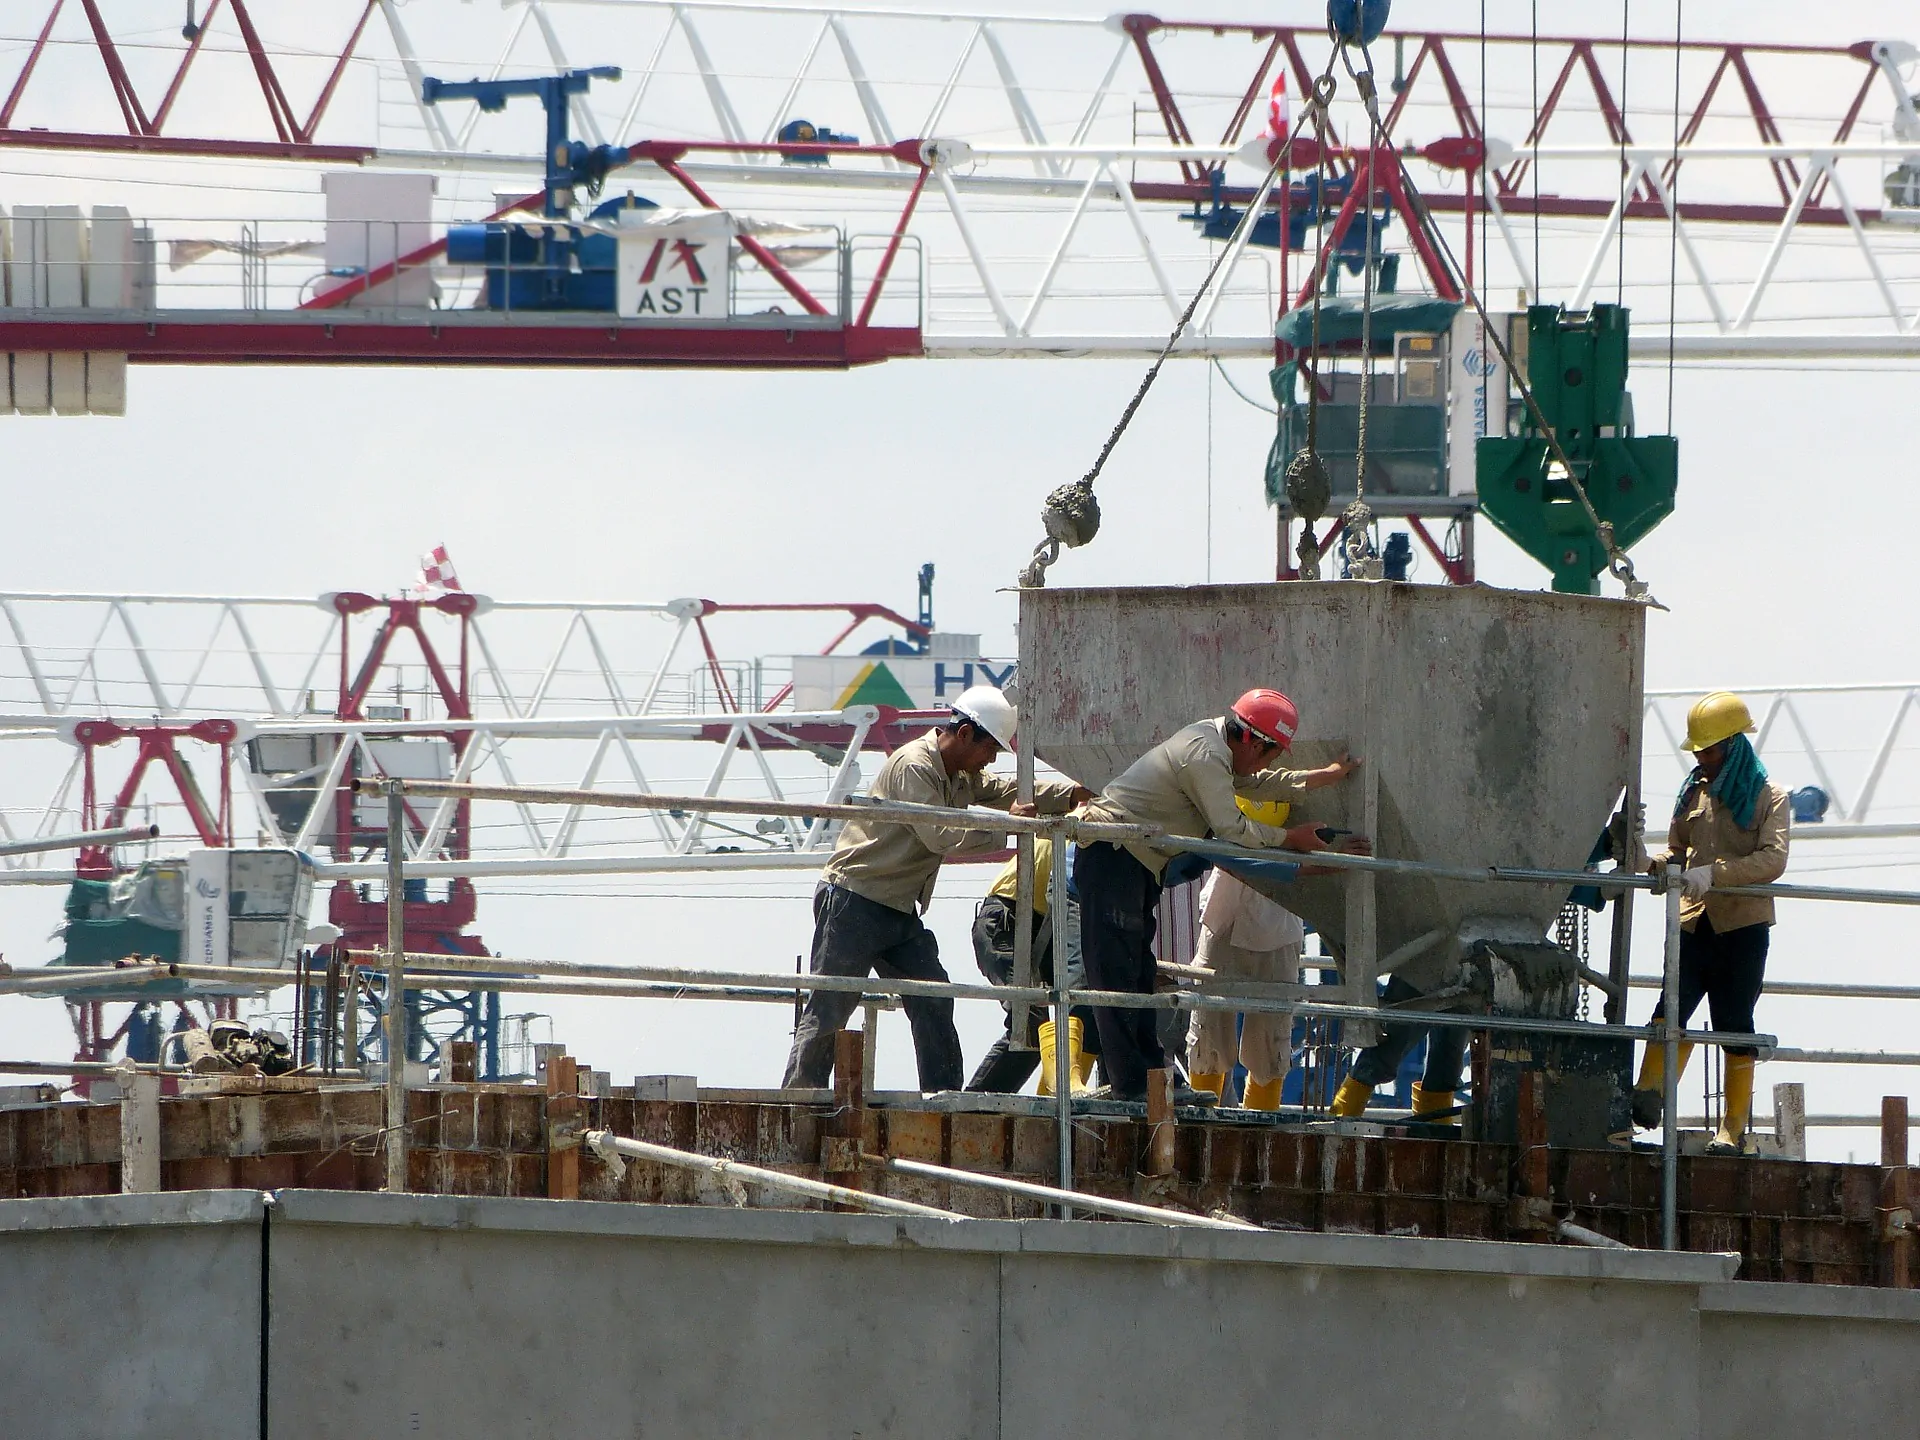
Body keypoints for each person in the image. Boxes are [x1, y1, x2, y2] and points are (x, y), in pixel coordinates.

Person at [781, 685, 1089, 1093]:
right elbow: (942, 836)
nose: (990, 759)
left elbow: (1007, 792)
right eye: (989, 750)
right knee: (833, 1003)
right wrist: (1011, 828)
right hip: (855, 900)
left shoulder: (958, 772)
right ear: (964, 735)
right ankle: (799, 1099)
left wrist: (1072, 796)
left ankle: (942, 1098)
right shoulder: (915, 766)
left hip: (897, 908)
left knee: (933, 996)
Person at [1073, 688, 1365, 1105]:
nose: (1268, 764)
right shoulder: (1203, 754)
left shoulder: (1219, 749)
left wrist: (1323, 776)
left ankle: (1154, 1080)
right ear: (1250, 738)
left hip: (1135, 862)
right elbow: (1233, 831)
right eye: (1270, 753)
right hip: (1112, 855)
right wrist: (1292, 840)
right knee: (1117, 974)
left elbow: (1258, 782)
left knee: (1138, 972)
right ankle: (1132, 1085)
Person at [1630, 690, 1790, 1155]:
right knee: (1669, 1009)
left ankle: (1732, 1127)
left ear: (1735, 746)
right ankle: (1648, 1095)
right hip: (1694, 922)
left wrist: (1714, 874)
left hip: (1742, 927)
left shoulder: (1770, 797)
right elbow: (1677, 852)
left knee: (1733, 1021)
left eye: (1711, 750)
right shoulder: (1693, 793)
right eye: (1699, 751)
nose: (1703, 758)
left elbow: (1772, 860)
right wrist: (1652, 863)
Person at [1186, 798, 1321, 1111]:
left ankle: (1260, 1135)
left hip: (1280, 921)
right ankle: (1197, 1126)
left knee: (1271, 1045)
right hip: (1225, 915)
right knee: (1208, 1036)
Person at [963, 836, 1099, 1095]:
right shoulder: (1083, 826)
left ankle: (1001, 1098)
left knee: (1078, 1011)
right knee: (1030, 1021)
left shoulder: (1086, 828)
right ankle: (982, 1100)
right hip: (1006, 919)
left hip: (1040, 927)